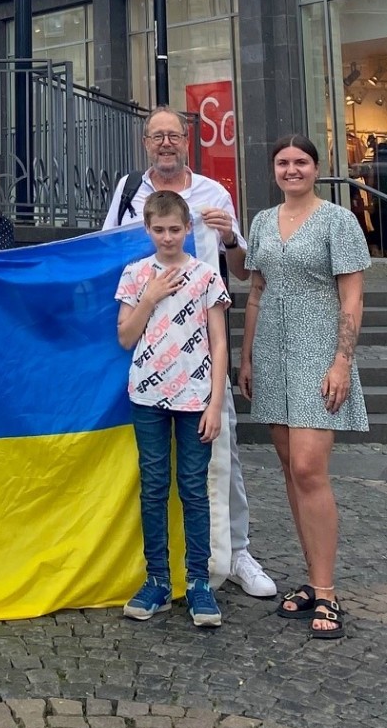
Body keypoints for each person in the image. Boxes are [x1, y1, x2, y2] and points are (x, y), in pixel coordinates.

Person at [101, 106, 276, 600]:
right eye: (156, 137)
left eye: (173, 136)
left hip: (203, 346)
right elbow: (104, 252)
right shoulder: (126, 190)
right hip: (147, 344)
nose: (165, 144)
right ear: (145, 143)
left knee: (224, 454)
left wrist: (227, 237)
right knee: (154, 471)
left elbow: (242, 270)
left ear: (186, 141)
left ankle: (236, 549)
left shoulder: (213, 193)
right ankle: (157, 565)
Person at [239, 133, 371, 644]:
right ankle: (313, 578)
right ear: (273, 169)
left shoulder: (338, 220)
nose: (291, 170)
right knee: (289, 471)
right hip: (272, 349)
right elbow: (256, 292)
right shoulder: (261, 221)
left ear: (316, 168)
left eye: (300, 162)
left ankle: (327, 590)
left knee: (308, 468)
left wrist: (342, 361)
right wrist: (247, 356)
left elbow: (353, 298)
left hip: (319, 349)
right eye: (283, 162)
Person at [115, 188, 230, 628]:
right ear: (148, 229)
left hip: (196, 398)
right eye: (159, 230)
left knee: (194, 489)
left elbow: (219, 344)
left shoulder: (205, 276)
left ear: (187, 229)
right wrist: (150, 296)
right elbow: (125, 336)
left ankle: (198, 581)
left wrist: (216, 403)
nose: (167, 237)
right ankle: (158, 579)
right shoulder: (135, 273)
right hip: (147, 396)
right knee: (154, 487)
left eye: (174, 230)